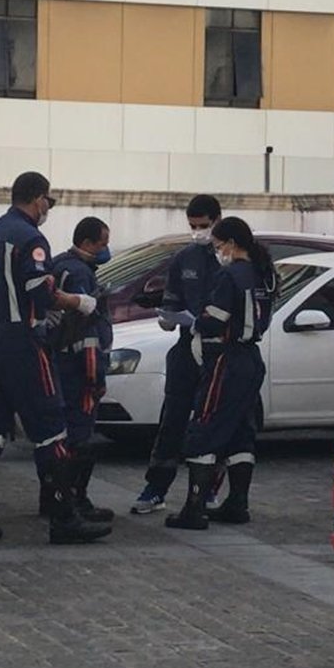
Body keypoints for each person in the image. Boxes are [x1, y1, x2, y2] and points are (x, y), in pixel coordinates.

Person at [0, 171, 111, 545]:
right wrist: (80, 302)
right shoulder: (30, 238)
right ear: (38, 199)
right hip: (22, 342)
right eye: (48, 202)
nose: (47, 208)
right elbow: (43, 293)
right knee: (52, 428)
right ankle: (63, 519)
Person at [165, 217, 277, 530]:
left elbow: (215, 319)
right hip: (251, 358)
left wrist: (192, 322)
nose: (217, 251)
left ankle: (194, 508)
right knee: (241, 430)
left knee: (204, 426)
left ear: (230, 243)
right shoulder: (263, 274)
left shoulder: (230, 275)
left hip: (226, 360)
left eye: (217, 245)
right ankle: (237, 503)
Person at [130, 194, 221, 515]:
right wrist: (168, 316)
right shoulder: (186, 258)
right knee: (173, 420)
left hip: (218, 350)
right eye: (193, 226)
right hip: (186, 346)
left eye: (204, 226)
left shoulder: (233, 260)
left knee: (211, 423)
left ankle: (207, 490)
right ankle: (156, 488)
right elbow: (171, 303)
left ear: (217, 222)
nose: (198, 232)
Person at [43, 217, 114, 522]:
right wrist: (95, 378)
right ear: (87, 244)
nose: (106, 250)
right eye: (102, 244)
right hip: (77, 368)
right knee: (80, 437)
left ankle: (52, 498)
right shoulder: (80, 274)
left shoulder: (60, 264)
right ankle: (75, 499)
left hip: (57, 364)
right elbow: (86, 332)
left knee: (58, 435)